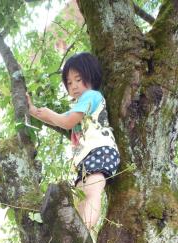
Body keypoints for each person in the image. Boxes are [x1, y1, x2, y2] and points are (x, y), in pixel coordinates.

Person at [27, 51, 120, 230]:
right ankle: (79, 232)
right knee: (80, 197)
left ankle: (82, 233)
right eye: (69, 83)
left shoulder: (91, 96)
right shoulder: (79, 106)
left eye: (78, 79)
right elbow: (58, 119)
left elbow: (67, 122)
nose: (74, 86)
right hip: (85, 158)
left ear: (91, 76)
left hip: (100, 150)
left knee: (91, 191)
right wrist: (33, 110)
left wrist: (49, 113)